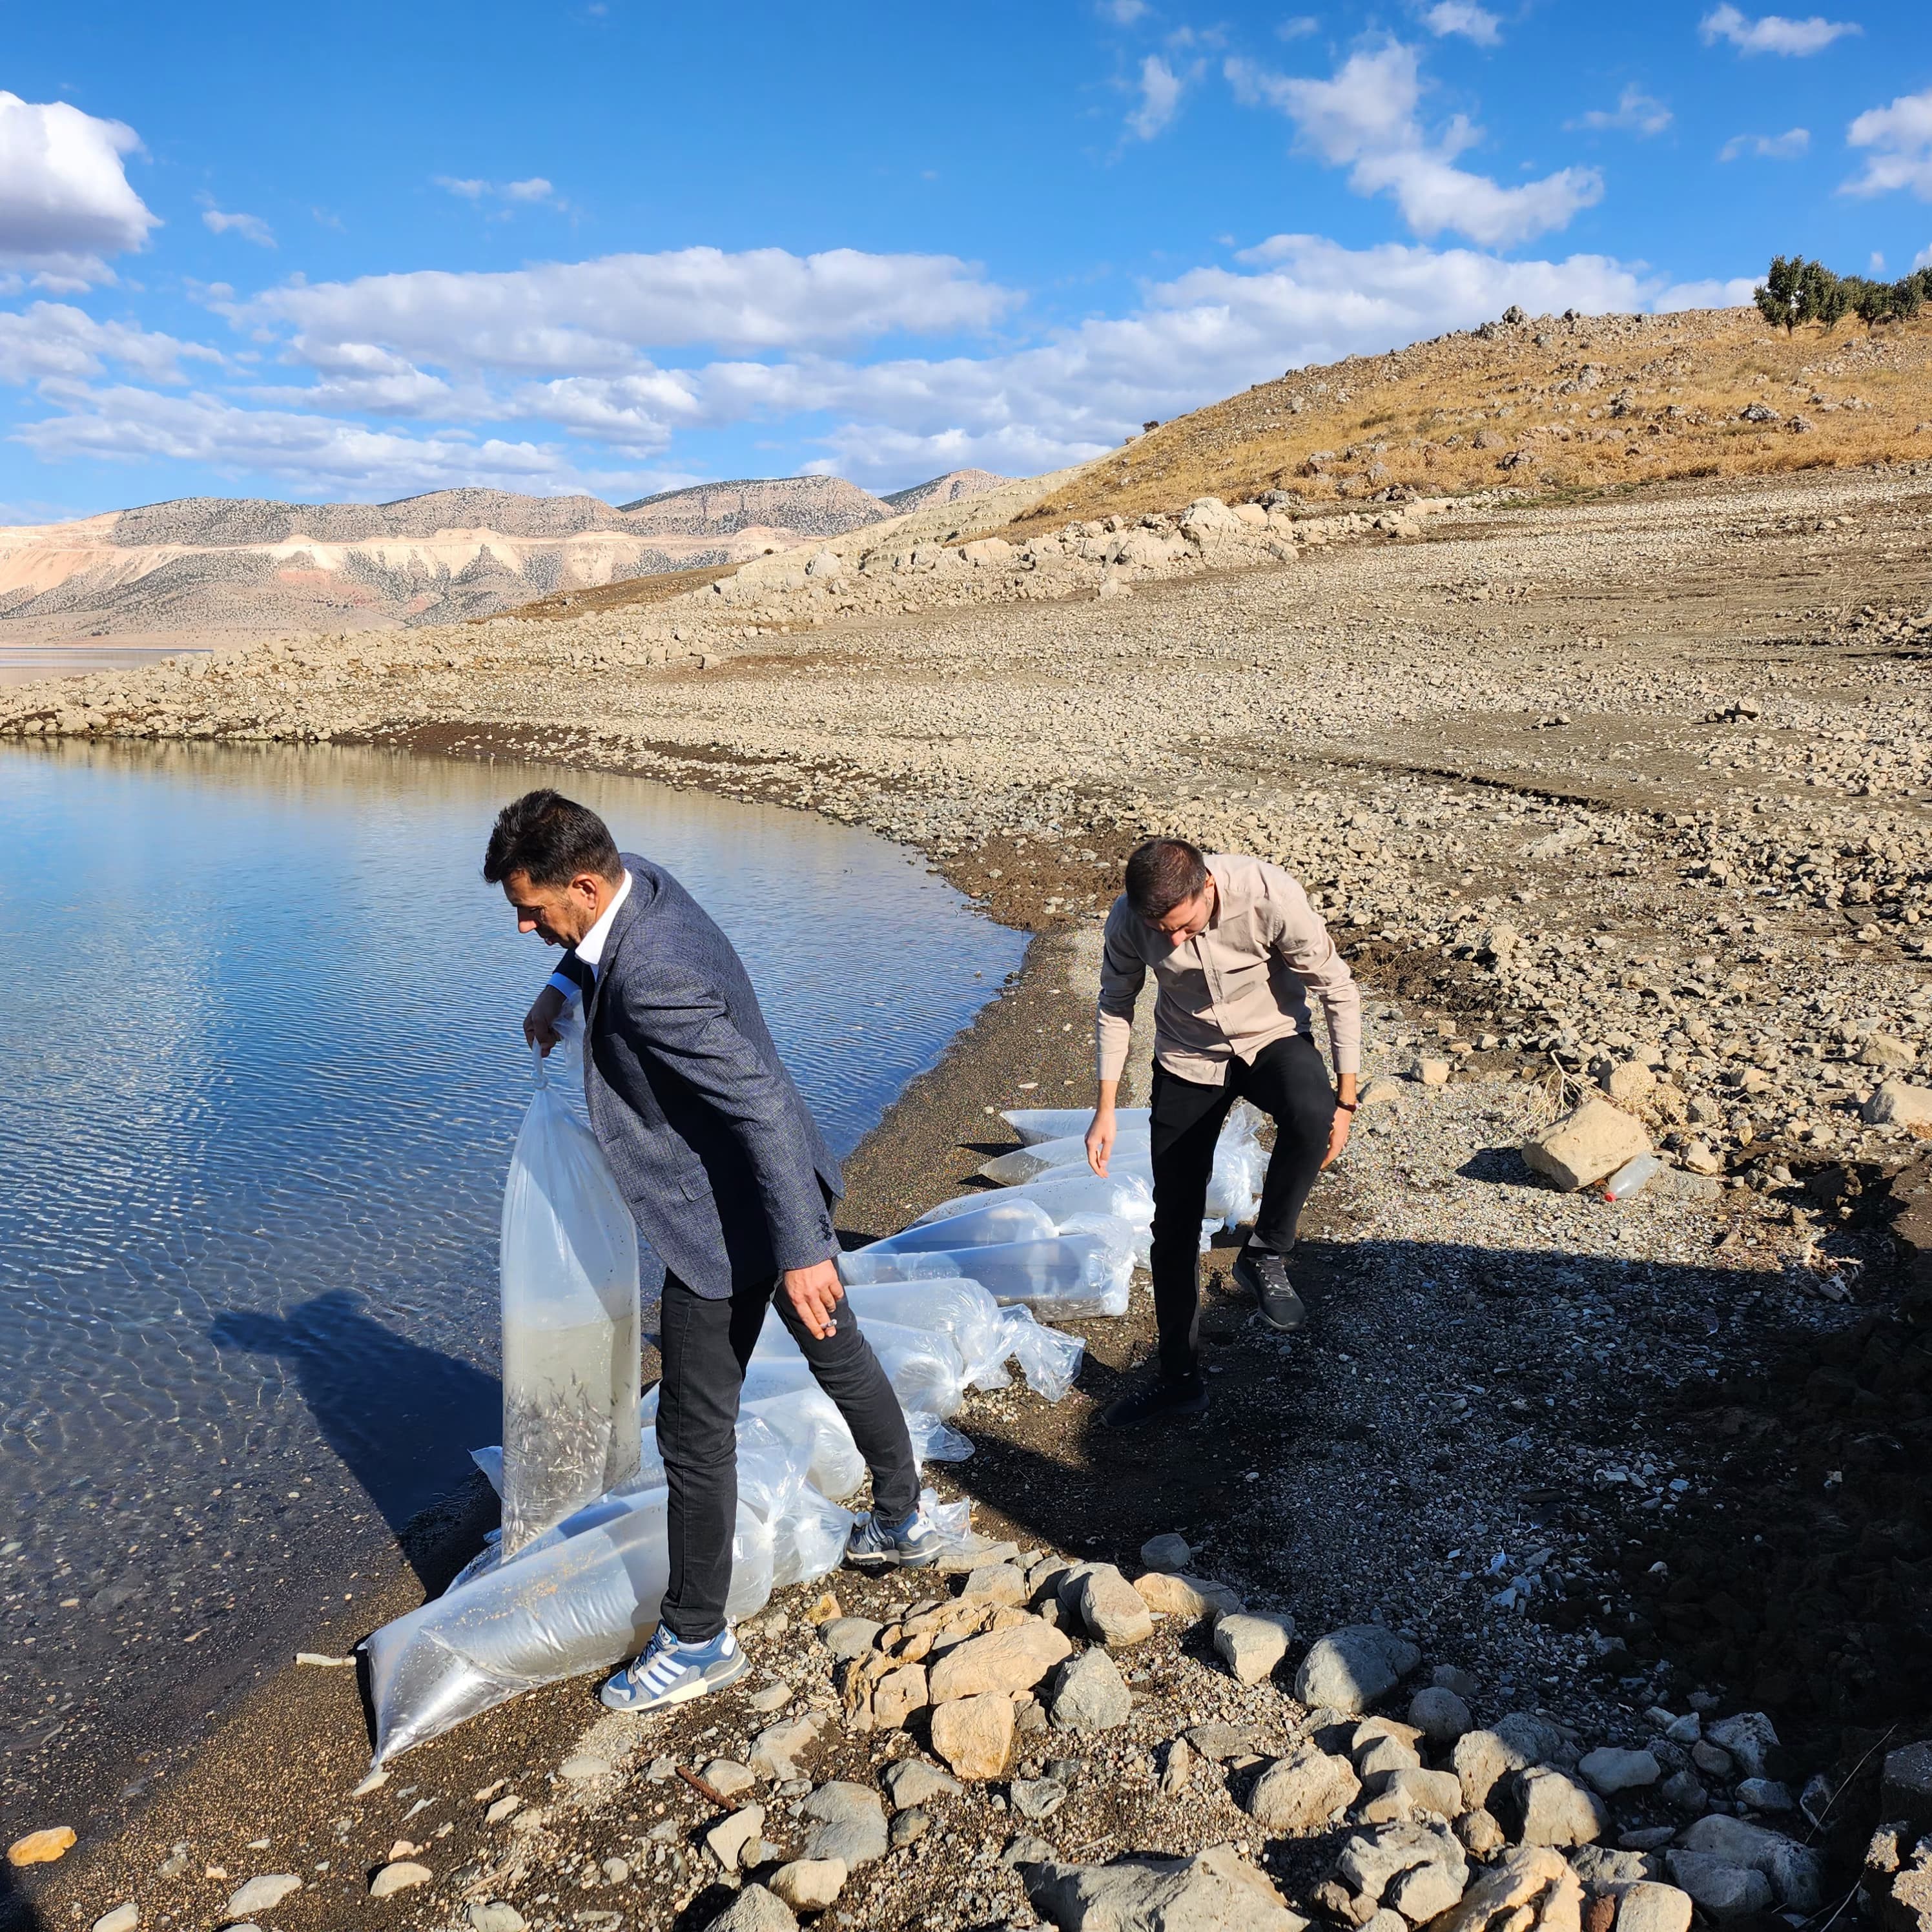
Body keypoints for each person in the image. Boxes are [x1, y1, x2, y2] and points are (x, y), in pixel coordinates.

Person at [484, 788, 938, 1714]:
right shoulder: (637, 882)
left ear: (580, 881)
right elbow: (601, 949)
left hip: (729, 1217)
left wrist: (804, 1250)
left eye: (534, 913)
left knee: (691, 1434)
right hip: (774, 1192)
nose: (527, 928)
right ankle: (903, 1518)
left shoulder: (652, 977)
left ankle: (697, 1640)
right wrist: (561, 986)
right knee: (835, 1349)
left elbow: (761, 1102)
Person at [1085, 838, 1361, 1427]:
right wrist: (1105, 1107)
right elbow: (1116, 1004)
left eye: (1183, 926)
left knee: (1312, 1114)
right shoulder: (1130, 921)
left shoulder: (1268, 894)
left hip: (1273, 1040)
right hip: (1187, 1059)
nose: (1174, 941)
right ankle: (1179, 1380)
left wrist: (1346, 1099)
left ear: (1206, 887)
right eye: (1162, 931)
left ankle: (1265, 1253)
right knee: (1175, 1222)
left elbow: (1338, 988)